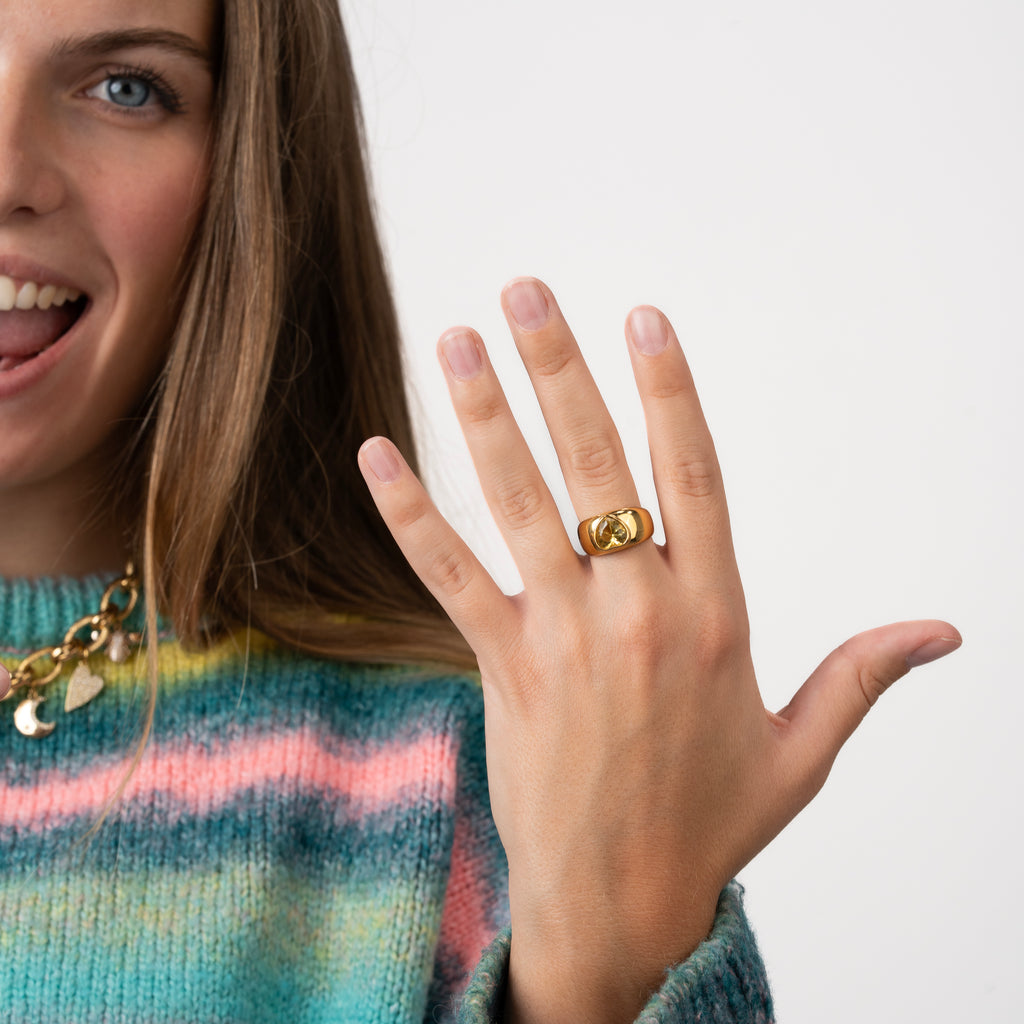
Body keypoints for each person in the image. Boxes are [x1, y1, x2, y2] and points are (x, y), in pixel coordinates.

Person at [0, 1, 961, 1022]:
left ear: (247, 183)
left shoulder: (479, 775)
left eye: (126, 88)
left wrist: (610, 956)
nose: (9, 172)